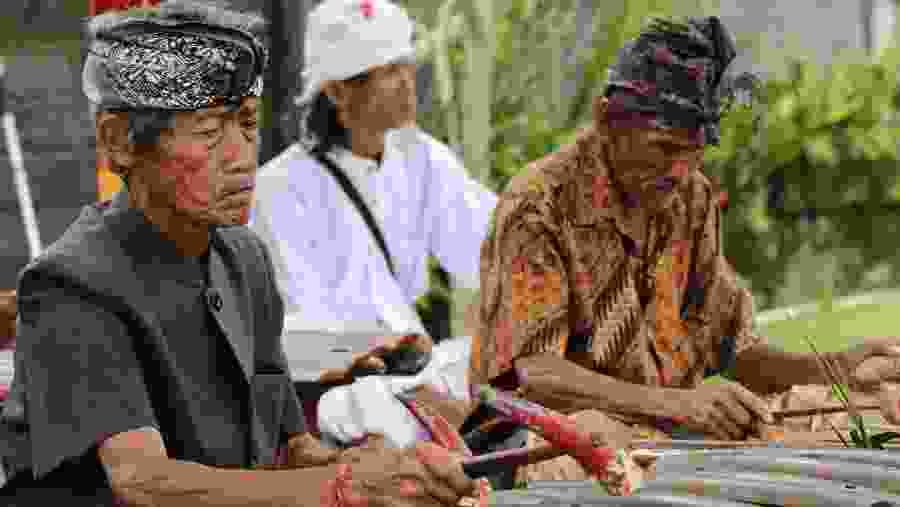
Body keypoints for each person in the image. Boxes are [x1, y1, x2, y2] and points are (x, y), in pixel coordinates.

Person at [0, 2, 476, 505]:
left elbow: (293, 450)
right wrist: (341, 487)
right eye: (209, 131)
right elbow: (142, 482)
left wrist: (388, 467)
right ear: (119, 141)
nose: (241, 157)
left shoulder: (244, 257)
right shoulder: (69, 285)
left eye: (247, 123)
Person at [471, 16, 900, 482]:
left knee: (860, 419)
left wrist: (838, 369)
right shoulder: (537, 204)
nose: (680, 170)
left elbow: (732, 354)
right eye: (664, 148)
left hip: (666, 430)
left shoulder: (691, 200)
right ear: (605, 120)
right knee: (617, 451)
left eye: (693, 152)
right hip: (542, 436)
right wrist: (678, 405)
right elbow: (537, 375)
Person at [249, 0, 496, 450]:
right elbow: (301, 338)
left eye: (406, 65)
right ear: (339, 91)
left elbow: (493, 247)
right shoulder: (278, 189)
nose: (407, 82)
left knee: (498, 368)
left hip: (416, 368)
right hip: (342, 386)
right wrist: (394, 363)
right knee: (381, 413)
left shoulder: (420, 159)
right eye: (388, 71)